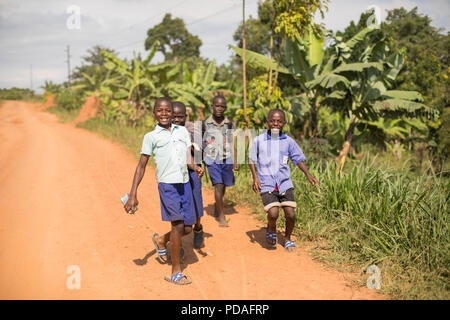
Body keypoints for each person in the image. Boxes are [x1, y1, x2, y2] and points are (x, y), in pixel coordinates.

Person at [124, 97, 203, 285]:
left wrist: (195, 167)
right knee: (176, 226)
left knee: (186, 228)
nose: (164, 114)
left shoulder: (182, 131)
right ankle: (175, 272)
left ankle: (161, 241)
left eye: (167, 110)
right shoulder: (151, 137)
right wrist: (133, 194)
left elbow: (187, 157)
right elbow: (141, 166)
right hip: (168, 186)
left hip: (184, 184)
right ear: (154, 114)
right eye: (160, 110)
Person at [248, 108, 320, 252]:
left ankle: (287, 238)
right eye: (272, 121)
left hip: (284, 182)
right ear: (267, 122)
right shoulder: (259, 140)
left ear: (284, 123)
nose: (275, 124)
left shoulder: (288, 141)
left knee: (290, 213)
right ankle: (272, 228)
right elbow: (252, 160)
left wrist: (308, 174)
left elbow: (298, 159)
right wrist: (255, 178)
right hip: (266, 181)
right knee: (273, 213)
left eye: (279, 121)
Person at [202, 95, 239, 227]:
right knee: (218, 184)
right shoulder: (205, 124)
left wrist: (235, 159)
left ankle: (218, 206)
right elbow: (201, 142)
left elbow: (230, 141)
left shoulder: (228, 123)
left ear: (225, 108)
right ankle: (221, 216)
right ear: (212, 106)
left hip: (226, 157)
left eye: (222, 106)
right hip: (212, 158)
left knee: (223, 185)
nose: (219, 108)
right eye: (217, 106)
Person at [172, 101, 205, 249]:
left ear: (185, 116)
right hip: (174, 173)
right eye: (174, 116)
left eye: (180, 117)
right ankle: (177, 243)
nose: (177, 120)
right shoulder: (167, 129)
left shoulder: (192, 129)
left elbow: (199, 152)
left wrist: (190, 147)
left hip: (193, 171)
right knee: (177, 205)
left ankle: (198, 228)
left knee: (196, 199)